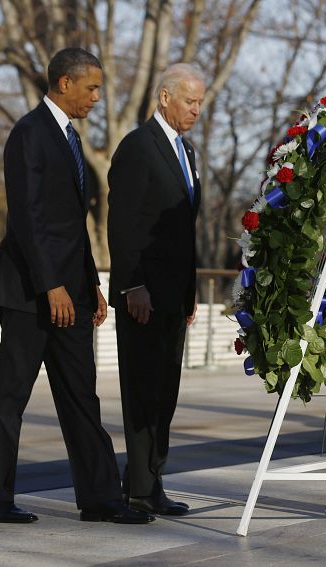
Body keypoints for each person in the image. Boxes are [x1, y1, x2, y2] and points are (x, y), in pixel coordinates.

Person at [0, 48, 153, 525]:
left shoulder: (70, 139)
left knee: (81, 396)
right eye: (91, 88)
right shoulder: (28, 134)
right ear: (64, 84)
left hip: (71, 290)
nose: (96, 97)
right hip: (31, 293)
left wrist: (90, 281)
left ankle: (100, 498)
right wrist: (51, 285)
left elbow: (72, 224)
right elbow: (27, 218)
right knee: (9, 395)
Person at [107, 63, 204, 516]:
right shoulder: (137, 147)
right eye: (190, 101)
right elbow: (123, 223)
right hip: (143, 294)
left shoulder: (186, 152)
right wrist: (133, 285)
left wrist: (190, 291)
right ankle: (141, 488)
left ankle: (147, 480)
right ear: (165, 98)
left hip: (173, 296)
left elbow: (185, 230)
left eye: (201, 103)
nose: (196, 110)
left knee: (165, 392)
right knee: (143, 390)